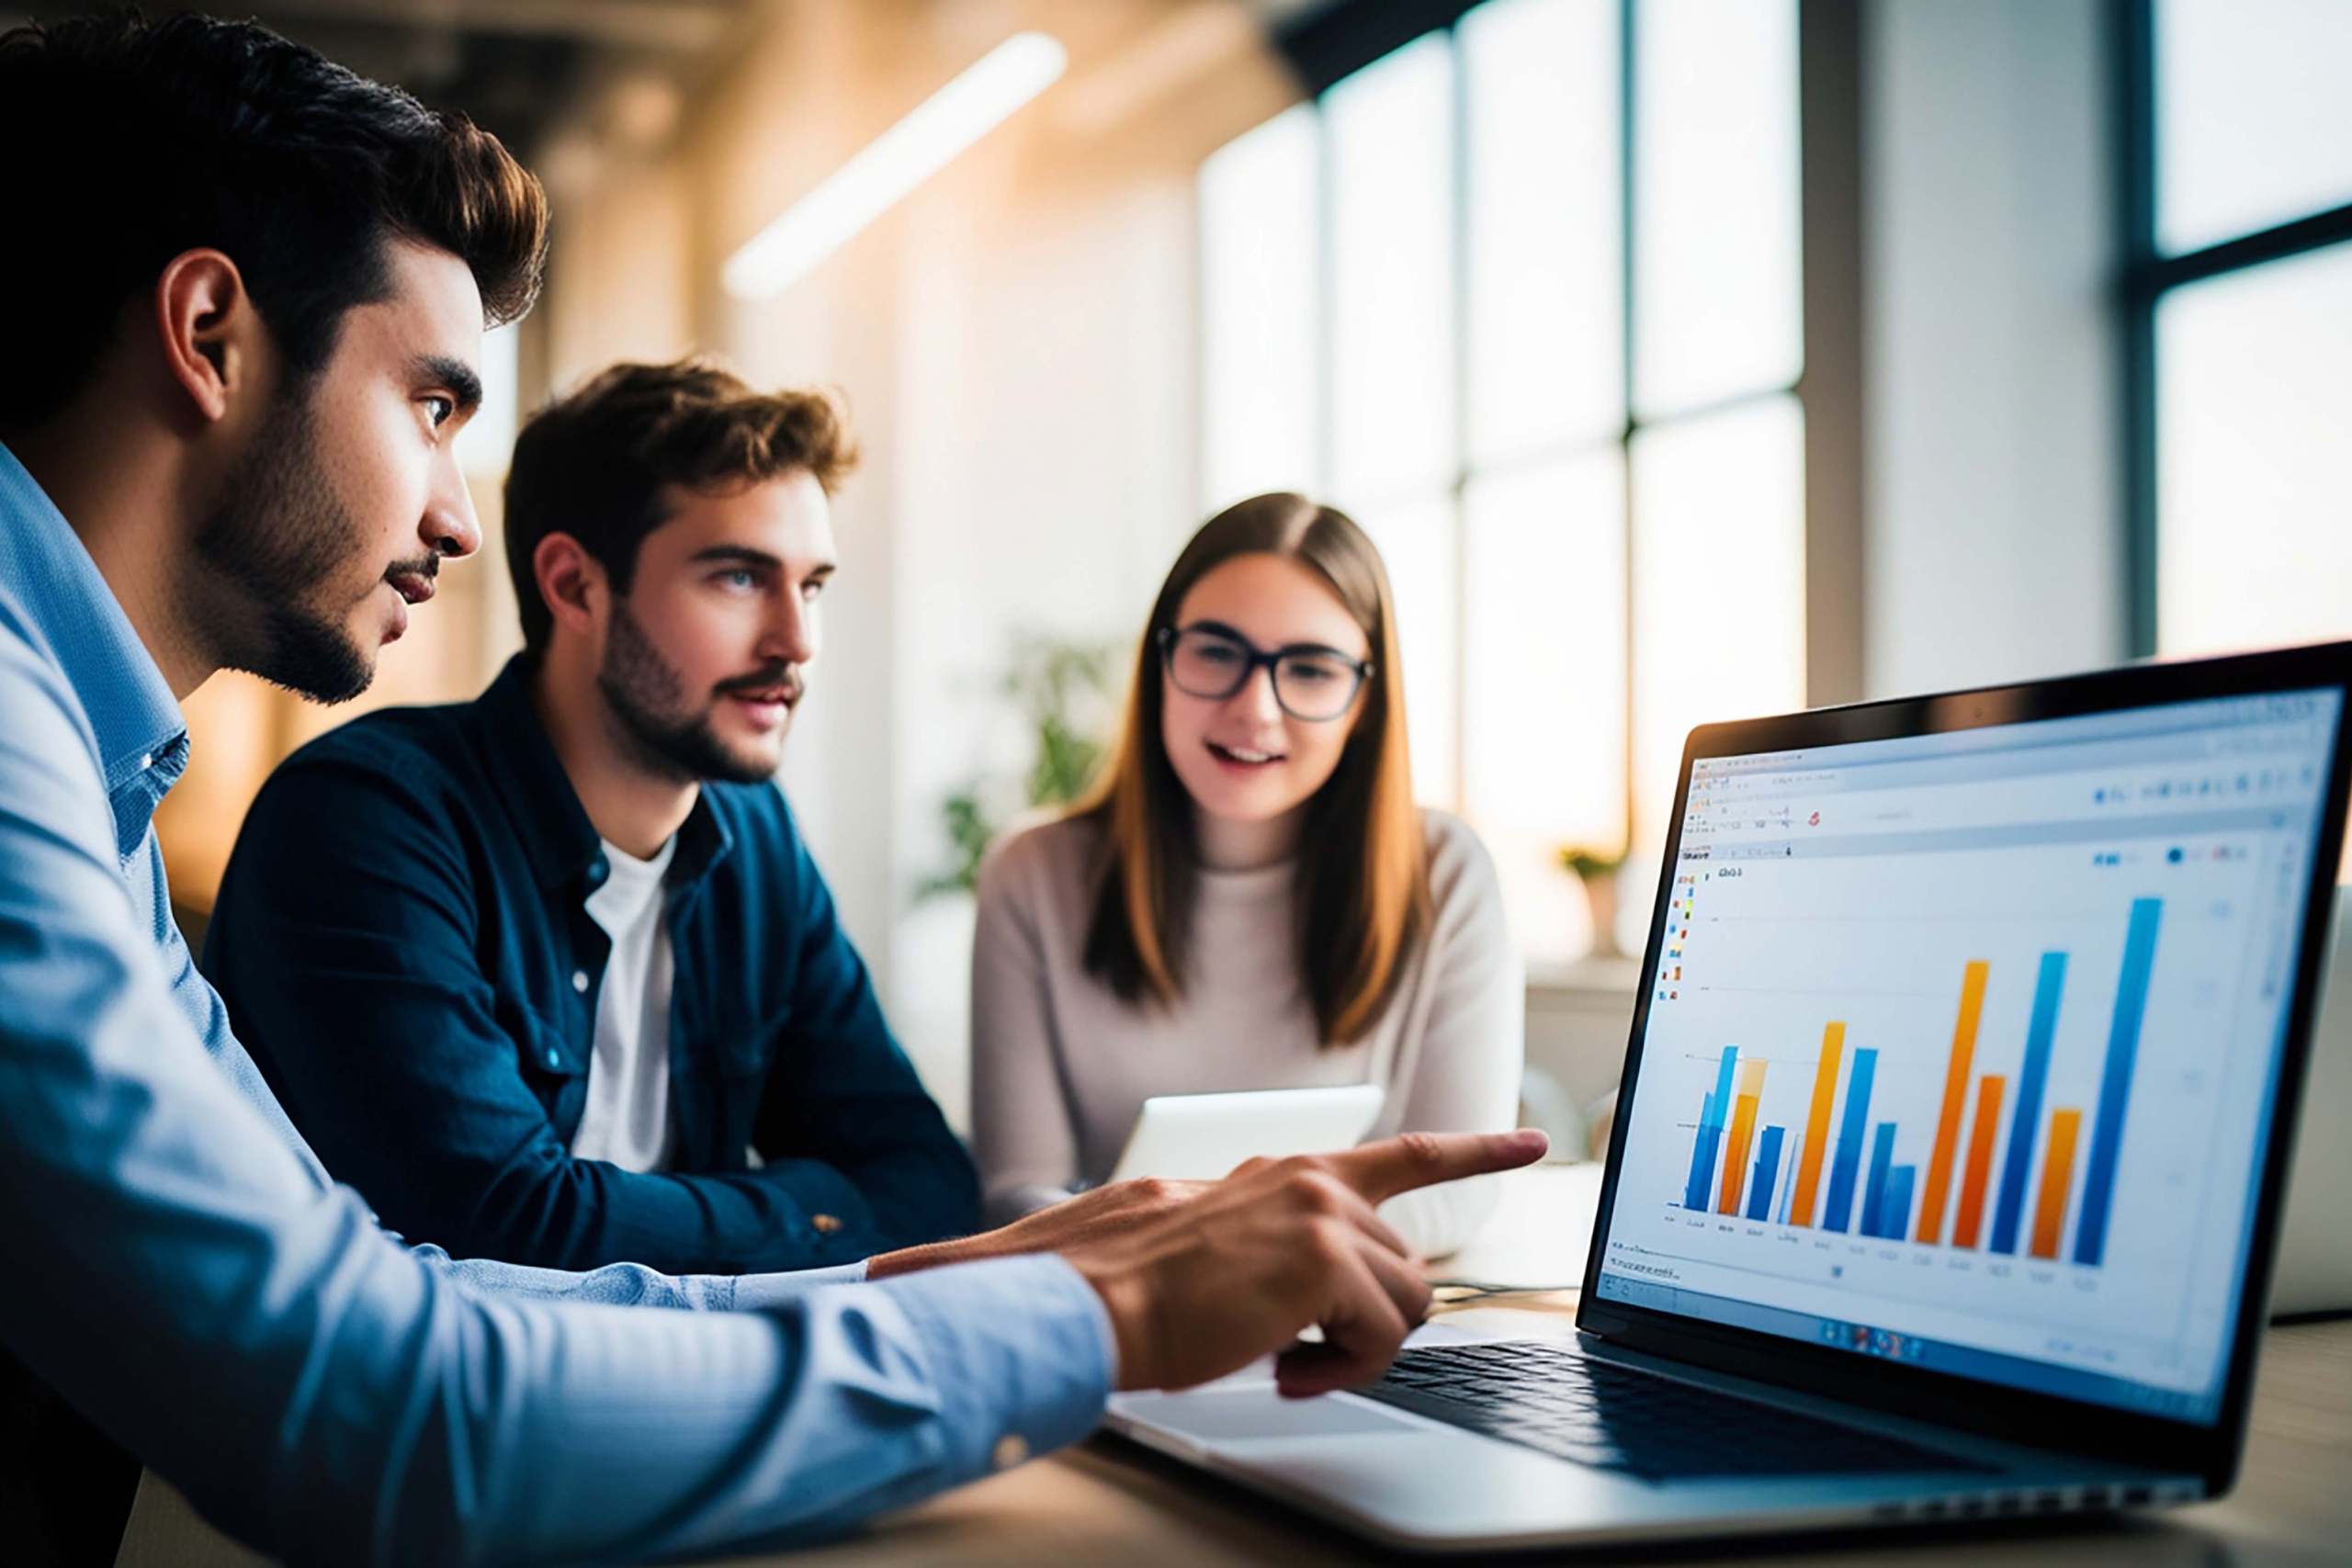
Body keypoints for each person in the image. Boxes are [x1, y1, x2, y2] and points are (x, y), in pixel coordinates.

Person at [0, 14, 1545, 1565]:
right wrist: (1093, 1302)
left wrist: (962, 1282)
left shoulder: (99, 774)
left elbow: (433, 1284)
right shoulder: (158, 771)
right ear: (208, 332)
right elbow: (394, 1376)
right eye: (432, 405)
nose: (452, 518)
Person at [203, 359, 978, 1277]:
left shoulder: (757, 841)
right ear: (573, 587)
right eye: (738, 578)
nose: (795, 641)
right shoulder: (365, 822)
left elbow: (930, 1184)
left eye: (810, 585)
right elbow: (500, 1227)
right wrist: (821, 1215)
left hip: (685, 1398)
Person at [971, 493, 1525, 1257]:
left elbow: (1453, 1194)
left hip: (1337, 1311)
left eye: (1309, 668)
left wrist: (1209, 1243)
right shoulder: (1030, 875)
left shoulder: (1446, 875)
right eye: (1217, 651)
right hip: (1110, 1317)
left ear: (1365, 700)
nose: (1255, 708)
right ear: (1160, 662)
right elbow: (1018, 1188)